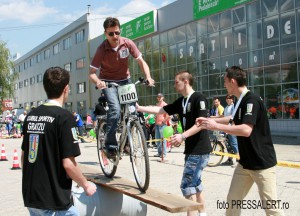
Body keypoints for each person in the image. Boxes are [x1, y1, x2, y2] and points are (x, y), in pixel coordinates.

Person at [196, 66, 284, 216]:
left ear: (232, 81)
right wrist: (210, 119)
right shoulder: (240, 101)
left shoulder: (252, 100)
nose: (224, 85)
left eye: (225, 81)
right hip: (245, 164)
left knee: (272, 209)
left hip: (262, 164)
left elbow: (246, 130)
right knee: (232, 202)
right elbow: (232, 119)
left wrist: (215, 125)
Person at [21, 66, 97, 215]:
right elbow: (69, 164)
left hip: (32, 197)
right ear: (66, 89)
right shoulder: (64, 117)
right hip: (54, 201)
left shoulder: (31, 116)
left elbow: (25, 157)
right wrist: (86, 185)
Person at [137, 71, 211, 216]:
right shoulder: (182, 101)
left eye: (177, 82)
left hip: (199, 149)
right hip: (192, 149)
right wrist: (140, 108)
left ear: (186, 81)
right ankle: (202, 213)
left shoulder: (199, 98)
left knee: (187, 186)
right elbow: (160, 109)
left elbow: (202, 124)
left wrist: (182, 136)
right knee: (195, 184)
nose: (174, 85)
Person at [89, 17, 154, 158]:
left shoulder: (127, 43)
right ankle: (110, 145)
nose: (115, 36)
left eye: (117, 33)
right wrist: (98, 82)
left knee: (133, 111)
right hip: (108, 82)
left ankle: (127, 144)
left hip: (125, 81)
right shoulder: (102, 49)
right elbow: (92, 73)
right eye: (111, 33)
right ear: (105, 33)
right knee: (115, 109)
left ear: (120, 31)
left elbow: (141, 61)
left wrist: (148, 76)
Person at [221, 94, 239, 166]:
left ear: (232, 99)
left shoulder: (233, 106)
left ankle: (238, 160)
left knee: (234, 144)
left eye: (230, 98)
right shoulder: (226, 107)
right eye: (227, 98)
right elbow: (223, 116)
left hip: (232, 128)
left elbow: (233, 116)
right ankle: (230, 159)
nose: (228, 99)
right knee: (228, 145)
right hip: (226, 128)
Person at [153, 93, 169, 158]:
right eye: (158, 97)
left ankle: (164, 153)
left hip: (162, 124)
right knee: (158, 140)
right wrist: (155, 120)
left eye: (160, 97)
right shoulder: (157, 105)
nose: (159, 98)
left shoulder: (165, 105)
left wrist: (163, 122)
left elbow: (168, 116)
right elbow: (156, 114)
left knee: (163, 140)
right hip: (157, 124)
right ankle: (159, 153)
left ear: (163, 97)